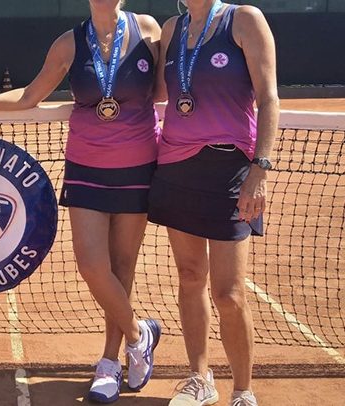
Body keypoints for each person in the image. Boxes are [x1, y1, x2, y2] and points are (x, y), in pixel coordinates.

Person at [0, 0, 162, 402]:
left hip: (138, 164)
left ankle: (110, 362)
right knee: (92, 265)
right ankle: (139, 334)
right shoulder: (68, 44)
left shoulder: (148, 30)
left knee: (122, 267)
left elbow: (165, 89)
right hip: (86, 166)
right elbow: (29, 97)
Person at [150, 1, 278, 405]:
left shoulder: (244, 20)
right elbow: (156, 91)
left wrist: (259, 168)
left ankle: (243, 390)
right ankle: (199, 378)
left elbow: (269, 97)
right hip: (176, 166)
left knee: (229, 293)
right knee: (190, 277)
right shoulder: (171, 29)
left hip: (230, 169)